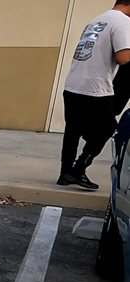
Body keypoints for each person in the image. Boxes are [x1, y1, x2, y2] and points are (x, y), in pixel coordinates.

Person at [60, 0, 130, 190]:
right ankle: (78, 169)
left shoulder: (96, 20)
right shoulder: (123, 22)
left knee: (72, 131)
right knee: (107, 129)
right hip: (96, 88)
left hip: (73, 84)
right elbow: (123, 58)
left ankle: (64, 173)